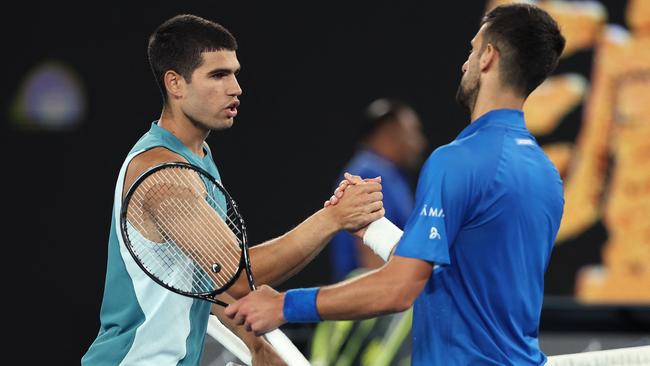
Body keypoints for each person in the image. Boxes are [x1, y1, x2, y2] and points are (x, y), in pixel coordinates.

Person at [225, 4, 566, 365]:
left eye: (472, 49)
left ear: (488, 58)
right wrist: (372, 230)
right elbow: (462, 276)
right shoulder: (547, 175)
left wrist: (283, 305)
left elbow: (399, 289)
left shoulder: (456, 161)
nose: (464, 62)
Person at [81, 14, 385, 366]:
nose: (236, 87)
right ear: (175, 84)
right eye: (218, 75)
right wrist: (334, 217)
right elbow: (237, 276)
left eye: (235, 72)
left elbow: (214, 285)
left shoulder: (198, 157)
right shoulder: (162, 176)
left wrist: (256, 346)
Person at [329, 98, 427, 282]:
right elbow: (371, 258)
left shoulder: (388, 174)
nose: (420, 142)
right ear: (389, 133)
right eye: (413, 133)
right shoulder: (369, 174)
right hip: (375, 303)